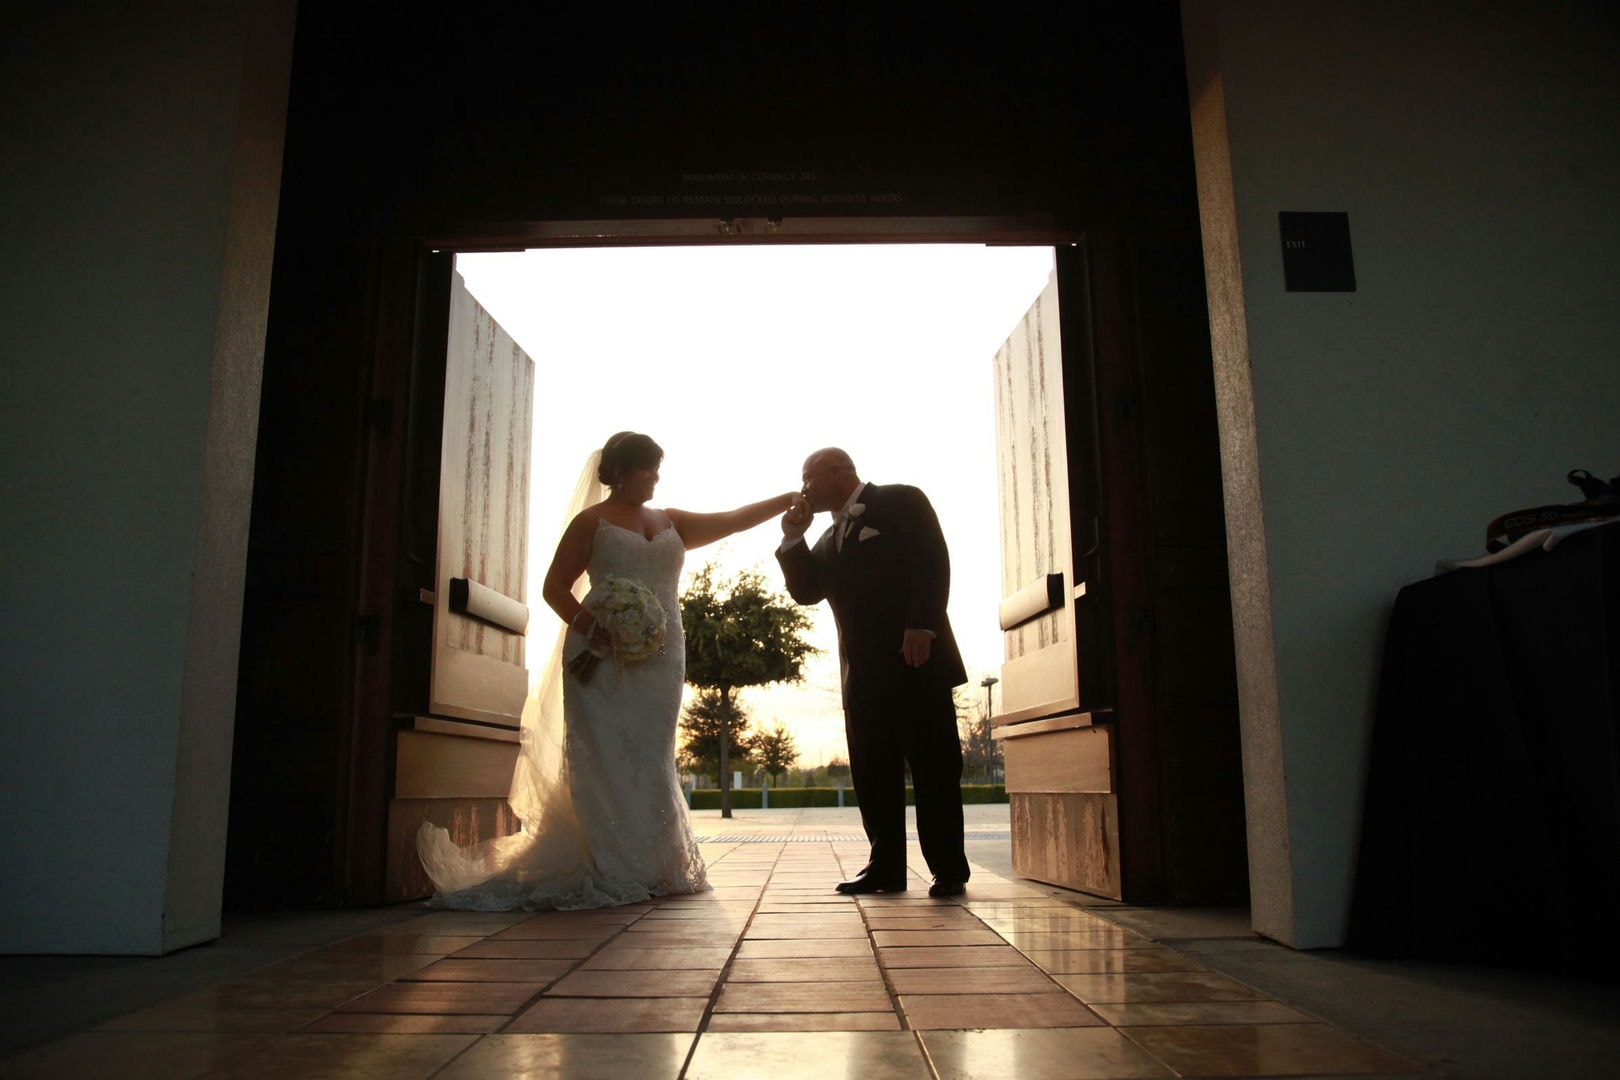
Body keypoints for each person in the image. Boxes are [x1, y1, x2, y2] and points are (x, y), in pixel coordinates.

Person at [416, 431, 798, 910]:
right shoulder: (590, 523)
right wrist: (589, 623)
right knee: (605, 755)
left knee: (652, 752)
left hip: (662, 656)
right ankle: (614, 862)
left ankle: (660, 863)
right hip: (600, 653)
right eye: (647, 468)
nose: (655, 477)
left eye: (658, 469)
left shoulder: (672, 521)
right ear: (619, 471)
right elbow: (555, 586)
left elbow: (735, 521)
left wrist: (786, 499)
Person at [776, 447, 971, 897]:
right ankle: (885, 868)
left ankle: (948, 869)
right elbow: (806, 591)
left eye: (809, 477)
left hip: (916, 662)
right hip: (861, 677)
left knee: (934, 769)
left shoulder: (901, 501)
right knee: (873, 775)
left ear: (837, 471)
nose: (803, 487)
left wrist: (921, 623)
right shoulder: (828, 538)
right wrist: (792, 538)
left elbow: (931, 559)